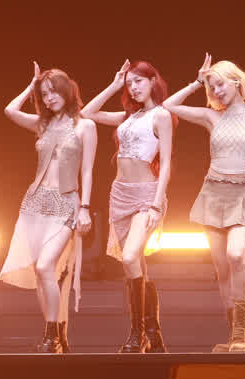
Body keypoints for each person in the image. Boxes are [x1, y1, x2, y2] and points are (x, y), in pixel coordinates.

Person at [163, 54, 245, 353]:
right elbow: (169, 106)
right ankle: (236, 337)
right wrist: (197, 82)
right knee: (222, 268)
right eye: (212, 87)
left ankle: (240, 331)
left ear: (236, 81)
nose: (216, 91)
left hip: (243, 195)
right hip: (212, 194)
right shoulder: (212, 117)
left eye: (220, 84)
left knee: (236, 255)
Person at [0, 62, 97, 353]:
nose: (49, 97)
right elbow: (10, 111)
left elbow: (87, 171)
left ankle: (53, 334)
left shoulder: (85, 126)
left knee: (45, 266)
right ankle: (54, 336)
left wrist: (85, 207)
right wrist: (31, 87)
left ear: (67, 91)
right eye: (44, 94)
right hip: (35, 203)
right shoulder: (42, 124)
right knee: (40, 272)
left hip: (66, 202)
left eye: (53, 91)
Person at [81, 60, 174, 353]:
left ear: (153, 81)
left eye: (138, 81)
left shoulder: (161, 115)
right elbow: (87, 113)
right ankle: (153, 333)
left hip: (146, 195)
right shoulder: (128, 117)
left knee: (131, 256)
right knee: (135, 264)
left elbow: (166, 162)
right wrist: (113, 85)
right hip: (120, 195)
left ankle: (138, 334)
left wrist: (157, 204)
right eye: (129, 83)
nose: (133, 88)